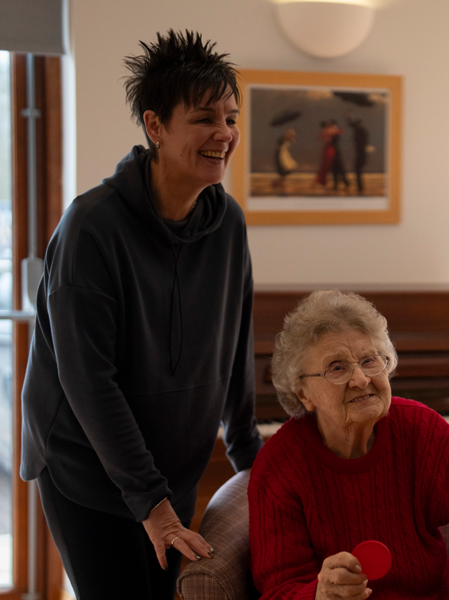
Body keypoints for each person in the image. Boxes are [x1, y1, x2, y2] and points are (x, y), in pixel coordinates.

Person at [20, 30, 263, 599]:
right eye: (205, 118)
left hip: (171, 468)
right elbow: (89, 383)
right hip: (86, 470)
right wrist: (152, 506)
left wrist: (250, 455)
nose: (224, 134)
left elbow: (235, 339)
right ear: (155, 126)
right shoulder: (91, 229)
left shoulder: (226, 222)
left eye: (230, 117)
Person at [248, 290, 449, 600]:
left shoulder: (421, 431)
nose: (361, 379)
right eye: (337, 368)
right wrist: (320, 595)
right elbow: (279, 590)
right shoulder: (280, 465)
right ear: (304, 394)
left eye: (369, 361)